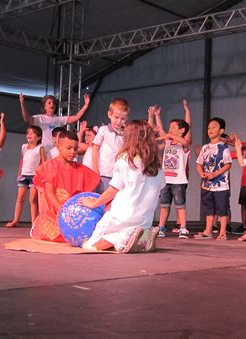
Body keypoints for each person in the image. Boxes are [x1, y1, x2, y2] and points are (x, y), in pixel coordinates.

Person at [80, 120, 166, 253]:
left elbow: (112, 190)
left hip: (121, 215)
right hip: (145, 219)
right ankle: (143, 237)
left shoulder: (125, 160)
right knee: (127, 233)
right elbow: (160, 188)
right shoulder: (157, 165)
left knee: (92, 245)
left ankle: (123, 239)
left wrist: (94, 203)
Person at [30, 131, 100, 242]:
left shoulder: (80, 169)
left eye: (75, 149)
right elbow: (50, 193)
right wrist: (63, 211)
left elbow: (93, 183)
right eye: (69, 148)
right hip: (55, 213)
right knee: (57, 235)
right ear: (58, 146)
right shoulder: (50, 166)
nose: (73, 152)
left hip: (73, 214)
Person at [153, 100, 192, 239]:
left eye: (173, 127)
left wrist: (187, 111)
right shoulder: (168, 141)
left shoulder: (184, 144)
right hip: (166, 179)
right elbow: (161, 130)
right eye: (170, 127)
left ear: (181, 130)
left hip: (179, 180)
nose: (170, 129)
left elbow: (186, 139)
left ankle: (183, 228)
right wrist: (157, 115)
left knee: (180, 205)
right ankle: (161, 227)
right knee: (164, 205)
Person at [195, 118, 232, 240]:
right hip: (206, 184)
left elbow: (228, 164)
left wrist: (215, 174)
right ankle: (208, 230)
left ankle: (222, 232)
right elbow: (199, 163)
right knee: (208, 208)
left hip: (221, 185)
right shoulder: (205, 147)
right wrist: (201, 174)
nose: (210, 129)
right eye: (209, 127)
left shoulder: (223, 147)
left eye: (214, 127)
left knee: (222, 208)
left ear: (221, 131)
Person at [19, 93, 90, 153]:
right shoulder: (39, 118)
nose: (52, 104)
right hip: (43, 152)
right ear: (44, 106)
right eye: (49, 103)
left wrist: (86, 105)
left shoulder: (59, 119)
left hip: (56, 152)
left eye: (53, 103)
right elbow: (27, 119)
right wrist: (22, 105)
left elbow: (76, 117)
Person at [6, 125, 46, 228]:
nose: (29, 135)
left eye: (32, 133)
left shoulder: (40, 148)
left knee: (32, 199)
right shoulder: (24, 147)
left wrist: (41, 176)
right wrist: (19, 173)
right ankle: (15, 220)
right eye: (28, 133)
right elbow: (22, 161)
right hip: (24, 175)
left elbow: (44, 163)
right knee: (20, 198)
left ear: (39, 137)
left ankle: (34, 222)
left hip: (34, 176)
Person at [92, 98, 130, 193]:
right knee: (102, 200)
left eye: (122, 119)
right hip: (104, 173)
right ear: (109, 114)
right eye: (116, 117)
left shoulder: (127, 133)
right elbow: (95, 149)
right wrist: (95, 169)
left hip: (120, 174)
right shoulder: (103, 130)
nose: (119, 121)